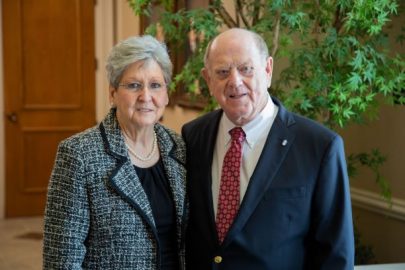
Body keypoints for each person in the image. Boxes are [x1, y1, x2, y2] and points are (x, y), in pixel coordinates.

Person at [182, 28, 354, 269]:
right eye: (222, 72)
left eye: (246, 69)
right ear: (208, 80)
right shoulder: (192, 137)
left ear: (268, 70)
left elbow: (335, 254)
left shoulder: (320, 147)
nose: (235, 81)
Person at [43, 35, 187, 269]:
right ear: (113, 93)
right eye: (133, 85)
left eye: (155, 85)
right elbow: (62, 257)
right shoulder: (79, 154)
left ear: (166, 94)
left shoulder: (178, 147)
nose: (146, 96)